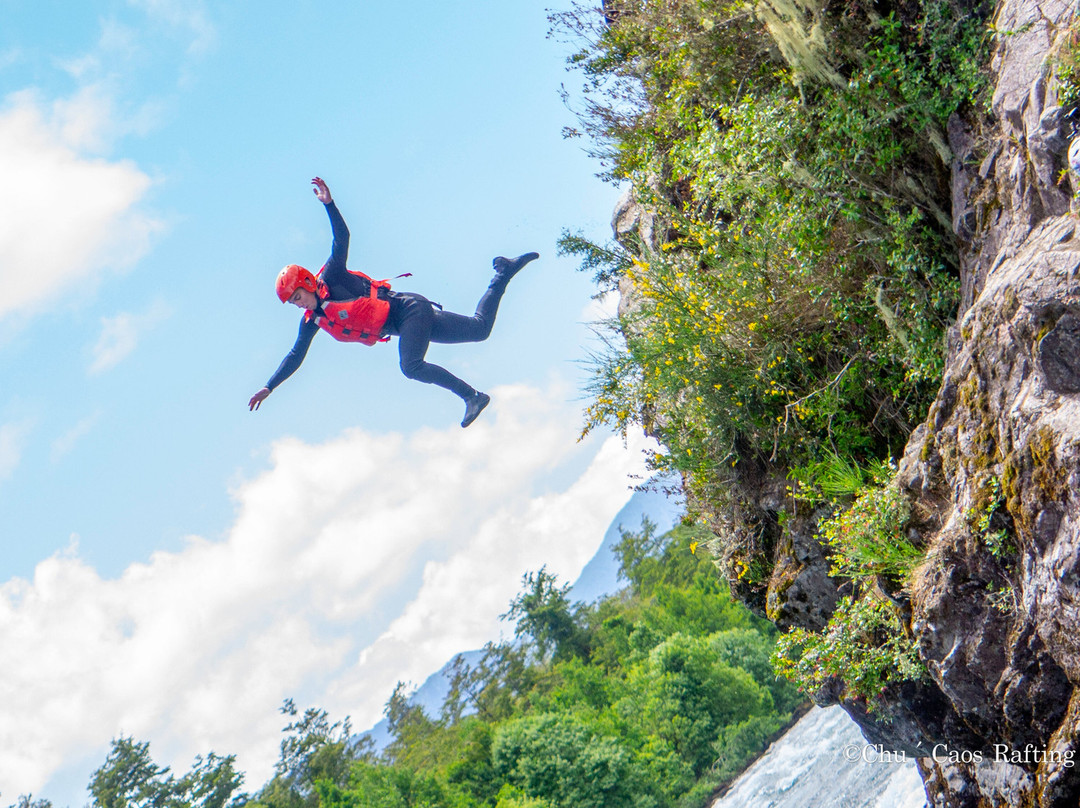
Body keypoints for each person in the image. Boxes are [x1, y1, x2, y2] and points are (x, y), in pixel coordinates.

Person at [248, 177, 538, 428]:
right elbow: (295, 355)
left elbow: (342, 238)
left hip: (410, 310)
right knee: (480, 329)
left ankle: (472, 397)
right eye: (293, 303)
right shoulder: (312, 320)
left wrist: (329, 204)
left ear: (308, 284)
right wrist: (268, 386)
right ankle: (503, 273)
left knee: (411, 366)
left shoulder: (334, 276)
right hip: (407, 322)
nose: (298, 305)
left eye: (297, 297)